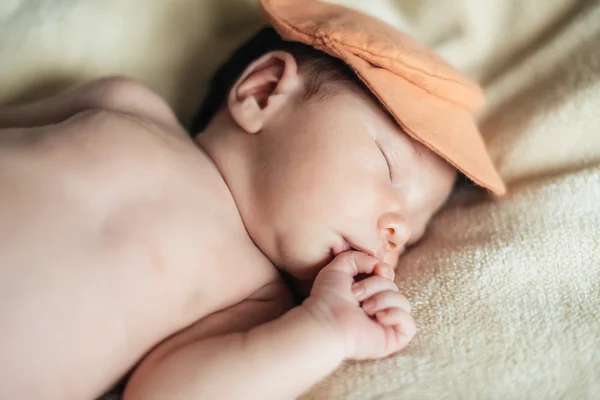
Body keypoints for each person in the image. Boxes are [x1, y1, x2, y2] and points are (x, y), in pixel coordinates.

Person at [0, 0, 505, 398]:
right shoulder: (125, 102)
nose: (398, 229)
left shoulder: (256, 303)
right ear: (263, 92)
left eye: (412, 234)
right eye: (388, 167)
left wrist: (326, 330)